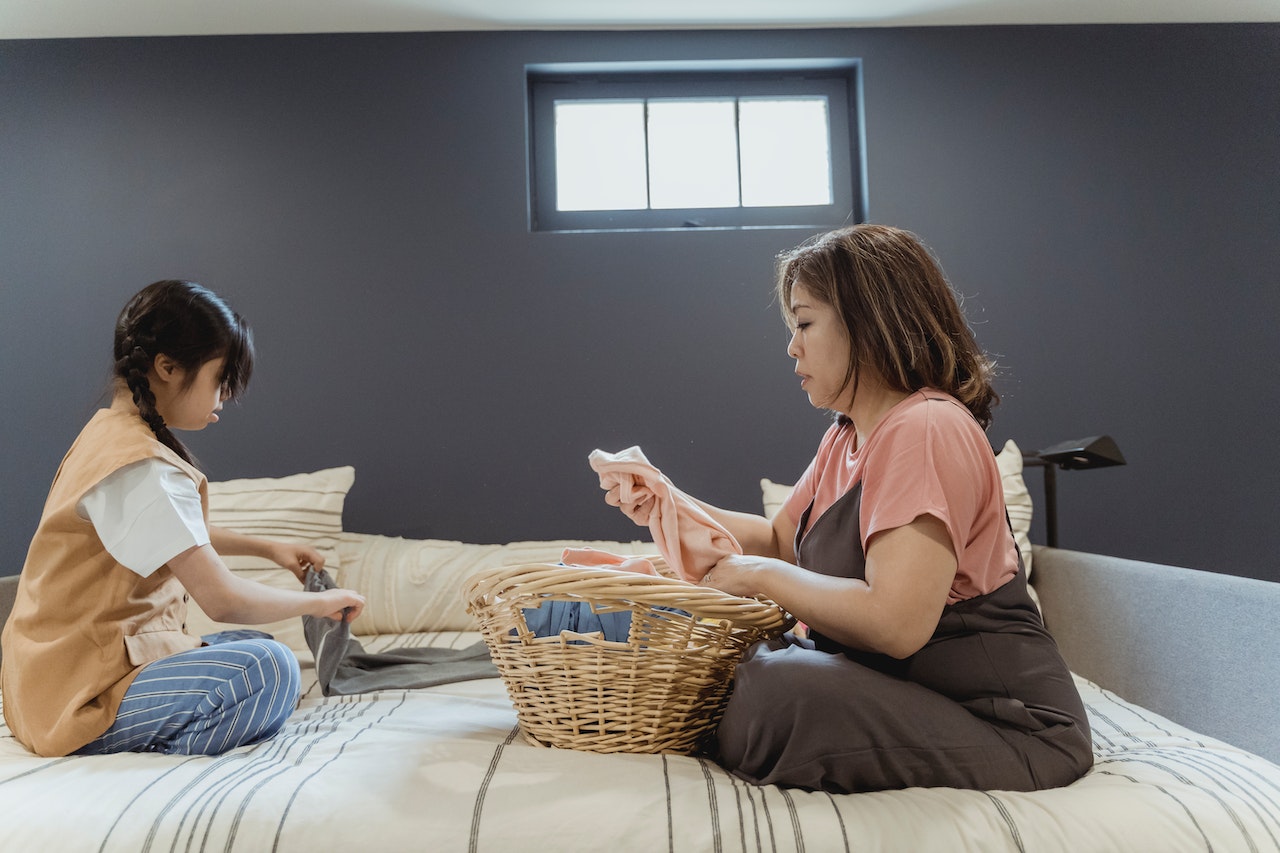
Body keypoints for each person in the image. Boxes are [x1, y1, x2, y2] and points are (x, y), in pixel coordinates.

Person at [604, 224, 1093, 793]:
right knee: (762, 671)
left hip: (1008, 724)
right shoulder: (846, 435)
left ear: (869, 322)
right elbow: (780, 539)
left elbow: (895, 623)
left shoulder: (926, 426)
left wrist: (760, 576)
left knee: (779, 689)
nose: (792, 346)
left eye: (805, 323)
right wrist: (667, 500)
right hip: (913, 695)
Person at [0, 280, 366, 758]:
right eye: (222, 378)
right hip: (80, 697)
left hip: (45, 685)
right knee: (269, 664)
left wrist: (268, 548)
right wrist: (320, 603)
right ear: (167, 367)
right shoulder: (139, 465)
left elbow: (170, 532)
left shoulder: (106, 439)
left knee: (246, 643)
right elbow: (222, 599)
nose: (227, 395)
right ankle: (164, 746)